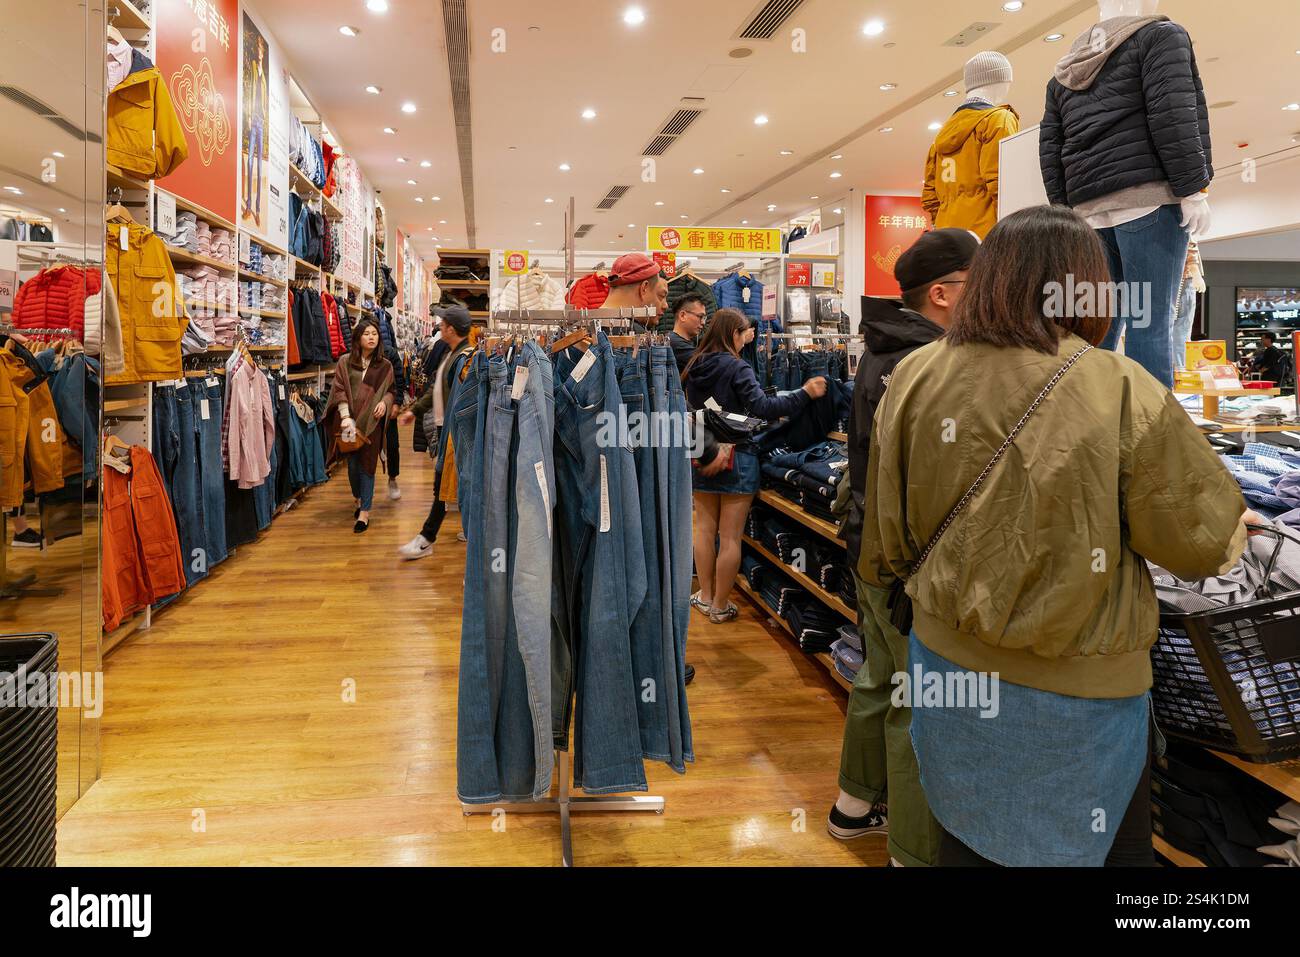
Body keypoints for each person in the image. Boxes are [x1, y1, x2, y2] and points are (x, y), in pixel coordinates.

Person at [859, 205, 1253, 867]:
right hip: (1077, 691)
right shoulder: (1120, 386)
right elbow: (1199, 542)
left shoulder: (917, 376)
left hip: (945, 665)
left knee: (964, 834)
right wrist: (1237, 526)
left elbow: (887, 535)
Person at [828, 228, 978, 863]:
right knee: (919, 702)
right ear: (942, 294)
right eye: (981, 282)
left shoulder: (886, 351)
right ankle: (913, 850)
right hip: (906, 557)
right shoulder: (930, 363)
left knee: (882, 681)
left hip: (874, 544)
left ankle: (853, 805)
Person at [683, 308, 827, 623]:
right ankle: (720, 605)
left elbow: (690, 411)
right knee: (730, 537)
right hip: (738, 456)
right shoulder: (738, 367)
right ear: (732, 333)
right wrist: (805, 393)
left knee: (705, 530)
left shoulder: (694, 364)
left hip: (703, 453)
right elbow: (763, 407)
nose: (748, 336)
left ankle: (705, 595)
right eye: (745, 331)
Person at [397, 305, 475, 559]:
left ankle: (427, 538)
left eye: (442, 324)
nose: (439, 327)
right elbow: (435, 390)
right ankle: (446, 534)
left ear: (450, 329)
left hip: (454, 433)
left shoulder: (465, 359)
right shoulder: (451, 354)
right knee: (446, 484)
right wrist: (414, 411)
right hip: (446, 430)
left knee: (446, 484)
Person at [324, 318, 394, 534]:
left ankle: (365, 512)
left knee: (368, 465)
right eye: (367, 334)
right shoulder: (345, 362)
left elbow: (391, 391)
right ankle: (358, 498)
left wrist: (384, 402)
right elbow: (339, 389)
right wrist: (345, 416)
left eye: (375, 333)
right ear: (358, 338)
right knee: (353, 466)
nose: (372, 337)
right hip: (349, 423)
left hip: (372, 423)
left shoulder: (385, 365)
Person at [602, 253, 668, 328]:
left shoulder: (588, 327)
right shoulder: (634, 332)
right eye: (661, 296)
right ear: (644, 288)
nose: (666, 305)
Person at [383, 342, 406, 502]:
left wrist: (397, 403)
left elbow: (399, 378)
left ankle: (392, 478)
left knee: (392, 445)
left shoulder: (389, 353)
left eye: (374, 332)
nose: (370, 337)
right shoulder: (355, 354)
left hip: (388, 405)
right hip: (364, 408)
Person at [668, 293, 707, 373]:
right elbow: (708, 364)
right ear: (682, 315)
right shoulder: (674, 343)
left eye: (704, 318)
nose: (703, 322)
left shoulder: (686, 342)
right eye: (700, 316)